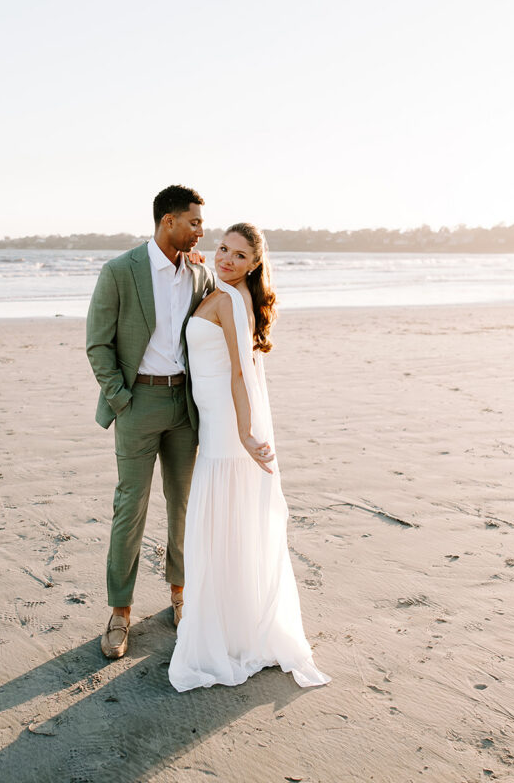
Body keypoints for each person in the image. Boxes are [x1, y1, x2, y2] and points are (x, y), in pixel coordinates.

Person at [169, 223, 331, 691]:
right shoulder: (219, 291)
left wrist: (244, 431)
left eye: (240, 256)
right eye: (223, 249)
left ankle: (229, 633)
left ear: (255, 264)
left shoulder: (232, 302)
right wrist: (203, 267)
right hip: (213, 419)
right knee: (225, 523)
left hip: (225, 426)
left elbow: (242, 371)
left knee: (224, 521)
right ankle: (228, 621)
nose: (227, 259)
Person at [86, 185, 216, 659]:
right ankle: (120, 611)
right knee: (130, 508)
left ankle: (180, 595)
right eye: (195, 222)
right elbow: (98, 343)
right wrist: (121, 398)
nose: (201, 230)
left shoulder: (198, 275)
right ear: (168, 222)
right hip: (136, 403)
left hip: (185, 406)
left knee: (184, 505)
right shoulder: (121, 271)